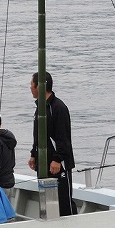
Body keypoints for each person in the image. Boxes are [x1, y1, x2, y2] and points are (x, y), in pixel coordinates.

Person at [28, 71, 77, 216]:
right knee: (47, 202)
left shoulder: (58, 108)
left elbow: (63, 137)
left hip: (58, 164)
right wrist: (33, 154)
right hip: (43, 162)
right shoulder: (40, 108)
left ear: (39, 86)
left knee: (63, 201)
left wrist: (58, 159)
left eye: (31, 84)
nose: (30, 87)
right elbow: (39, 135)